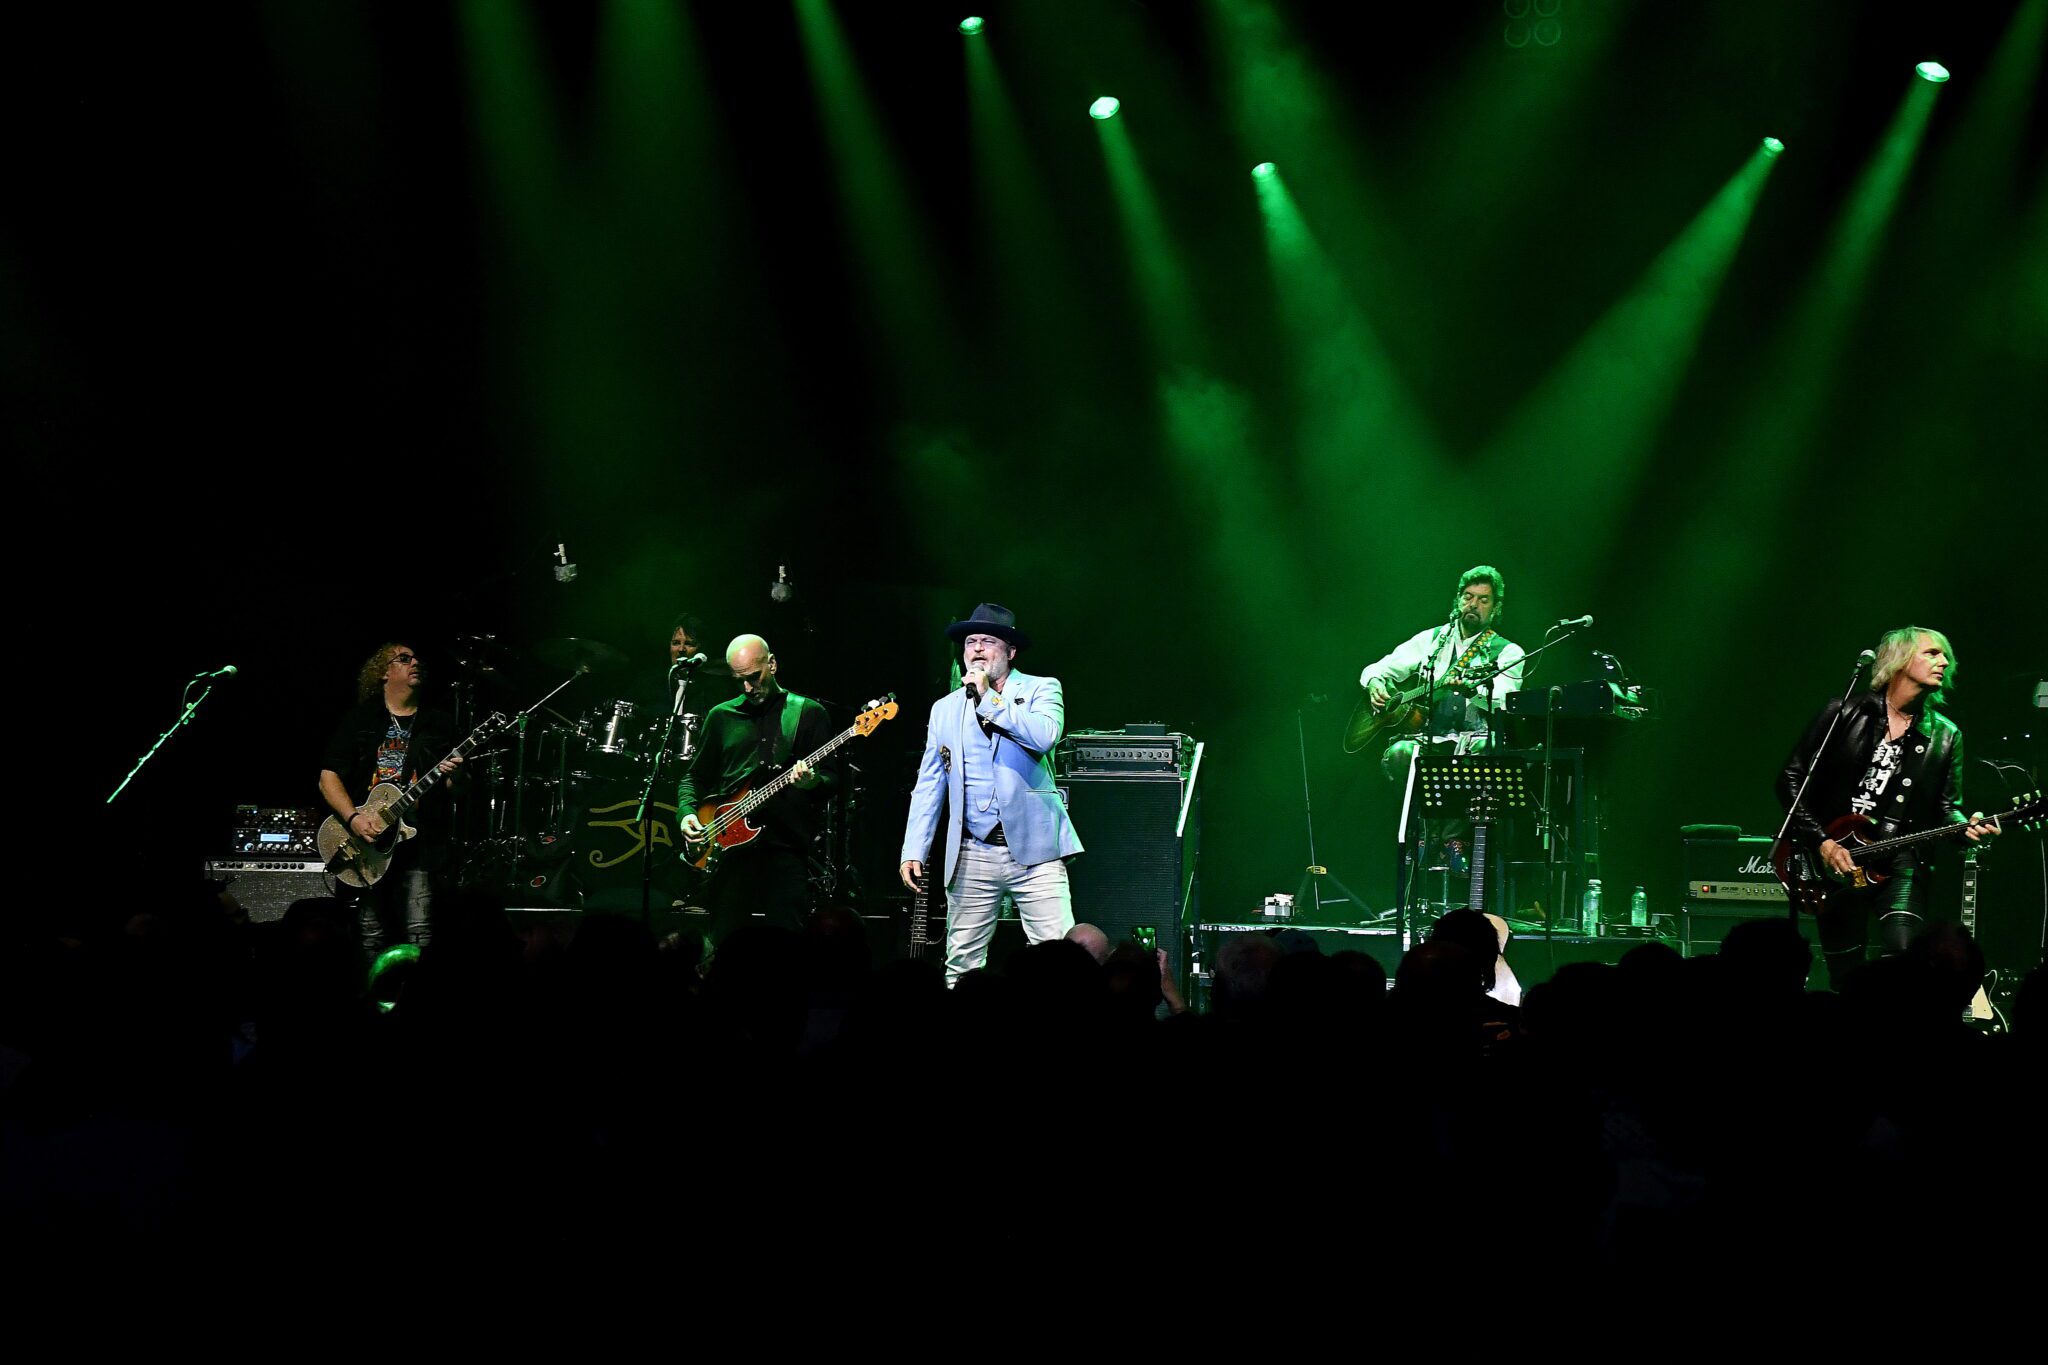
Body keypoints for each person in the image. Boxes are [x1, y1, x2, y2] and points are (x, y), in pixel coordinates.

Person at [1777, 625, 1999, 989]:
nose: (1944, 662)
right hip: (1836, 858)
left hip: (1899, 859)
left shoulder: (1945, 735)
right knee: (1844, 973)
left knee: (1904, 955)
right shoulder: (1844, 712)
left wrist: (1968, 827)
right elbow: (1791, 779)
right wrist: (1822, 842)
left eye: (1946, 656)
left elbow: (1947, 808)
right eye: (1932, 652)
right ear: (1900, 660)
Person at [899, 603, 1084, 986]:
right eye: (971, 642)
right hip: (972, 851)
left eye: (988, 641)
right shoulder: (944, 709)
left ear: (1010, 651)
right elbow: (930, 782)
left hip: (1036, 852)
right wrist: (914, 848)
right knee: (961, 964)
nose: (978, 649)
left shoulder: (1041, 688)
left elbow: (1044, 736)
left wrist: (989, 699)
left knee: (1058, 962)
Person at [677, 634, 834, 945]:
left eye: (754, 677)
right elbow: (693, 777)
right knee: (726, 944)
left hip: (786, 848)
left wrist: (813, 782)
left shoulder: (808, 712)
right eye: (739, 681)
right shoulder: (721, 716)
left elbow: (832, 780)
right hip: (729, 852)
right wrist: (686, 813)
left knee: (784, 944)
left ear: (772, 664)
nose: (748, 688)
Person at [318, 643, 462, 954]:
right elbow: (328, 777)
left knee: (420, 930)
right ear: (383, 672)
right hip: (367, 841)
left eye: (417, 658)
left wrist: (457, 776)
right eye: (404, 659)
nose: (415, 663)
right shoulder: (360, 720)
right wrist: (354, 819)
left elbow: (453, 789)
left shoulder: (439, 723)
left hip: (419, 842)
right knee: (369, 931)